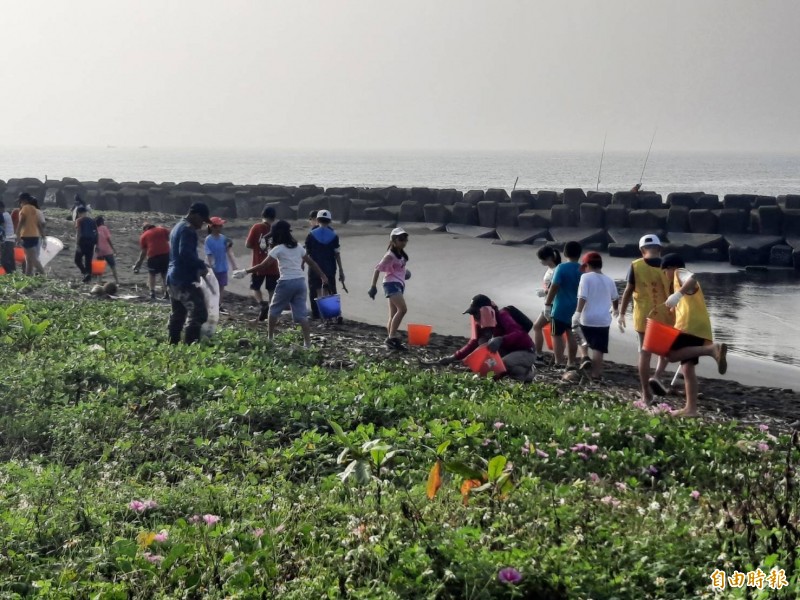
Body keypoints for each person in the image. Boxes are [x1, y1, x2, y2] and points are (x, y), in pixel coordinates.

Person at [234, 220, 328, 348]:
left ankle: (270, 339)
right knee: (302, 315)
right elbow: (311, 262)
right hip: (300, 282)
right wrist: (323, 276)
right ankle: (307, 344)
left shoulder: (278, 249)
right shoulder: (298, 247)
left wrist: (245, 271)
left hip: (286, 282)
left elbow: (263, 265)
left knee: (273, 310)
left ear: (277, 234)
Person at [660, 254, 728, 417]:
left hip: (689, 326)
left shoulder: (680, 273)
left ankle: (712, 350)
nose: (665, 276)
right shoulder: (678, 283)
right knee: (687, 368)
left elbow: (692, 279)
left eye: (664, 272)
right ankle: (691, 409)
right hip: (698, 326)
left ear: (671, 267)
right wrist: (674, 304)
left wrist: (677, 295)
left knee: (670, 355)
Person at [618, 234, 672, 402]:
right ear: (660, 249)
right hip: (666, 314)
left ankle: (646, 393)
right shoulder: (669, 266)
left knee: (644, 352)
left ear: (642, 250)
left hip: (643, 316)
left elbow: (628, 290)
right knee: (665, 352)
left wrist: (621, 313)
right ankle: (656, 375)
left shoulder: (635, 266)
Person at [439, 294, 536, 381]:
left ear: (485, 311)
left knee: (504, 363)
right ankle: (502, 372)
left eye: (475, 313)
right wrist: (454, 357)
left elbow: (520, 334)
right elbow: (474, 342)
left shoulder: (502, 316)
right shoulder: (480, 323)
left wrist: (501, 339)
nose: (474, 317)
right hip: (507, 349)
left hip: (526, 351)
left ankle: (527, 375)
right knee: (483, 345)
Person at [166, 203, 212, 345]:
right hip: (184, 278)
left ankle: (172, 343)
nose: (202, 225)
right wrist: (201, 265)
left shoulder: (177, 226)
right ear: (195, 215)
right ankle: (190, 347)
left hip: (173, 276)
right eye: (202, 220)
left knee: (178, 313)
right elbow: (185, 253)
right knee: (198, 313)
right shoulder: (188, 230)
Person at [572, 252, 619, 380]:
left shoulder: (585, 278)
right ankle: (595, 374)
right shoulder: (609, 280)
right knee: (598, 348)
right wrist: (616, 310)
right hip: (603, 320)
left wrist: (577, 313)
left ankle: (584, 356)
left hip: (587, 317)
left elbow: (582, 297)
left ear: (586, 265)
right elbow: (615, 298)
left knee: (580, 336)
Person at [368, 228, 410, 350]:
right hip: (391, 284)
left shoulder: (401, 254)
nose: (404, 242)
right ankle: (391, 338)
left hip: (398, 283)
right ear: (393, 240)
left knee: (393, 314)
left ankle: (390, 339)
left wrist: (405, 273)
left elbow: (397, 269)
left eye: (405, 239)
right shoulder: (390, 255)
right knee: (402, 309)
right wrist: (373, 287)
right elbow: (377, 269)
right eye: (401, 239)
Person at [543, 240, 582, 369]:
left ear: (564, 253)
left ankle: (559, 362)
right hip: (575, 307)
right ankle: (571, 362)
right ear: (579, 254)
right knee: (571, 334)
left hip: (560, 308)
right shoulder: (583, 269)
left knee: (556, 334)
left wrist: (547, 304)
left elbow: (554, 287)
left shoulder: (561, 268)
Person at [305, 209, 345, 322]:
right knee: (329, 290)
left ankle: (320, 315)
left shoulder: (311, 235)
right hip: (330, 267)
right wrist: (341, 270)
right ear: (330, 221)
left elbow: (306, 253)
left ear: (317, 220)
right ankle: (332, 315)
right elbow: (337, 254)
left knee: (317, 289)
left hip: (314, 267)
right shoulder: (334, 235)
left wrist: (302, 264)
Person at [245, 206, 279, 320]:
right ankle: (271, 309)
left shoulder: (256, 227)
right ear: (274, 218)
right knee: (272, 289)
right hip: (273, 264)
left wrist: (258, 246)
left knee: (255, 287)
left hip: (258, 264)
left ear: (262, 215)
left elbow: (248, 244)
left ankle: (261, 303)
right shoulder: (276, 229)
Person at [532, 245, 562, 363]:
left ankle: (539, 354)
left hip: (553, 304)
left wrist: (544, 292)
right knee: (554, 331)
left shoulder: (556, 270)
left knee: (538, 327)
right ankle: (553, 356)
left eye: (541, 259)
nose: (540, 261)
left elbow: (556, 288)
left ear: (549, 258)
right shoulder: (551, 269)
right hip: (550, 303)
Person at [204, 217, 238, 310]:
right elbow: (209, 255)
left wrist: (234, 265)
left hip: (223, 267)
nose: (221, 227)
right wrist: (211, 268)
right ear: (213, 227)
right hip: (212, 268)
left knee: (221, 287)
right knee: (212, 287)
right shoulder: (208, 240)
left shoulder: (224, 239)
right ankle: (211, 304)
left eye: (221, 225)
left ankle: (219, 305)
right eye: (219, 226)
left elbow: (229, 252)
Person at [133, 223, 171, 301]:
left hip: (153, 256)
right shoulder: (162, 229)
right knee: (164, 274)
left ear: (145, 229)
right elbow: (169, 238)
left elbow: (144, 252)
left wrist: (138, 263)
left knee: (152, 274)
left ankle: (152, 293)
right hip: (165, 254)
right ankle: (167, 292)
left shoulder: (144, 235)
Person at [13, 193, 45, 276]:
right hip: (35, 235)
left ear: (24, 201)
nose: (20, 203)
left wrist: (17, 234)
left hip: (27, 235)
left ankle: (43, 274)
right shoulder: (34, 209)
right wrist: (42, 235)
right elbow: (38, 224)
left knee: (33, 258)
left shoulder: (24, 209)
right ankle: (28, 275)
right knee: (28, 258)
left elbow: (21, 222)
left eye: (20, 201)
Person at [73, 206, 98, 283]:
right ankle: (88, 277)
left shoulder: (79, 220)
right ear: (85, 212)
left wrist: (77, 244)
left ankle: (85, 273)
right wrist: (96, 243)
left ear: (79, 213)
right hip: (91, 242)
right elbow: (96, 232)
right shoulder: (92, 220)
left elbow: (79, 233)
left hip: (82, 242)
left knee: (77, 260)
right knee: (88, 261)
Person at [94, 216, 119, 285]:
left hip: (99, 251)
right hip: (107, 250)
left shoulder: (95, 229)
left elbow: (94, 241)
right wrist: (113, 249)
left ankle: (98, 282)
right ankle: (117, 281)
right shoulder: (104, 228)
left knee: (99, 268)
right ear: (102, 222)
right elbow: (108, 239)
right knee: (112, 266)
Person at [0, 201, 15, 274]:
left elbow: (2, 227)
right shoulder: (7, 215)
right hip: (10, 240)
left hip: (6, 240)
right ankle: (14, 275)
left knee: (4, 261)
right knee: (10, 260)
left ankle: (10, 275)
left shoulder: (3, 216)